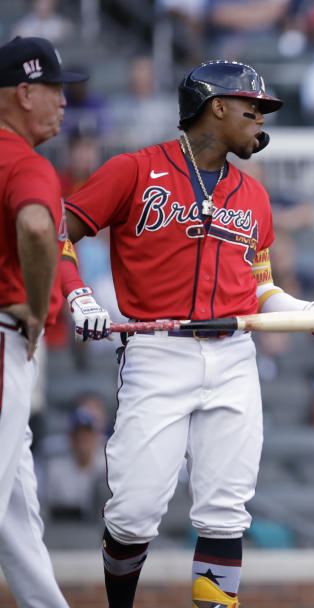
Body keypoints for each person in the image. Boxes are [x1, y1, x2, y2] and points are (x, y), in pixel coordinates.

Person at [63, 59, 314, 608]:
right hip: (157, 352)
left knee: (226, 511)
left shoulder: (255, 196)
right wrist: (77, 294)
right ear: (216, 106)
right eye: (254, 108)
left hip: (233, 357)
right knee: (132, 513)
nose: (261, 120)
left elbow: (262, 290)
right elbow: (60, 233)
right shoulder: (133, 170)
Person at [0, 35, 99, 608]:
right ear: (23, 92)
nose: (65, 101)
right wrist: (39, 308)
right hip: (4, 343)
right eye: (55, 90)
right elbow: (38, 228)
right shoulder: (25, 162)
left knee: (16, 515)